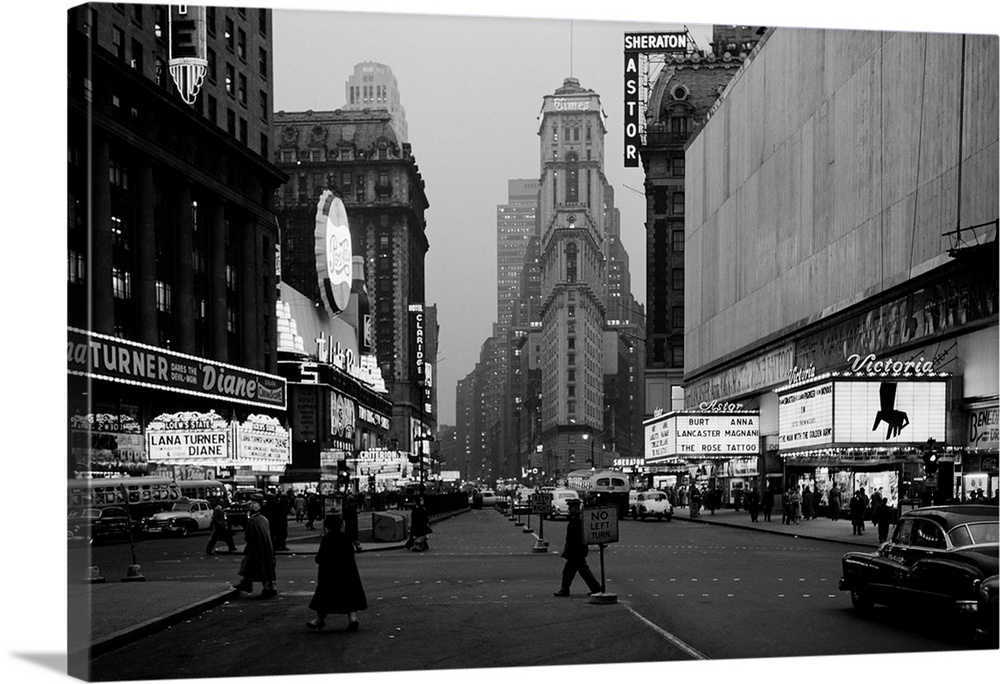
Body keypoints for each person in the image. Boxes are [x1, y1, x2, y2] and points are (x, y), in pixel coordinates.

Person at [306, 512, 368, 632]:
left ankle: (319, 619)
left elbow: (320, 558)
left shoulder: (327, 539)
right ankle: (352, 619)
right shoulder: (346, 538)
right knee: (349, 597)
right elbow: (350, 555)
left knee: (325, 597)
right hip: (347, 573)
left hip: (329, 574)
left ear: (327, 526)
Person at [553, 499, 602, 597]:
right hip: (577, 551)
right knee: (582, 571)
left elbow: (575, 538)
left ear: (576, 508)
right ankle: (596, 588)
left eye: (570, 508)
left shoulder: (577, 521)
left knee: (569, 572)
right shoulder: (575, 519)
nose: (569, 510)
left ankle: (565, 590)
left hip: (576, 551)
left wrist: (569, 550)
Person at [233, 501, 278, 598]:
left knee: (255, 567)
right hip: (267, 547)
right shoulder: (264, 519)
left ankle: (262, 587)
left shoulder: (253, 521)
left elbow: (249, 536)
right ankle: (270, 587)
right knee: (266, 568)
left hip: (256, 549)